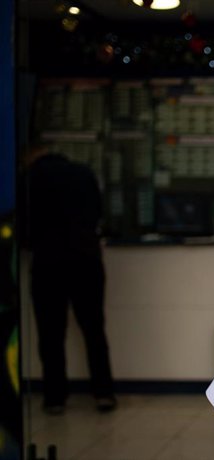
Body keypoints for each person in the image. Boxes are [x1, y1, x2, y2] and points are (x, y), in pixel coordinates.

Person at [23, 144, 116, 415]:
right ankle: (104, 393)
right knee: (94, 330)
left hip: (47, 263)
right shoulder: (83, 173)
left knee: (50, 334)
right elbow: (99, 214)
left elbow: (23, 224)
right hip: (86, 260)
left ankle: (54, 398)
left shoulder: (30, 179)